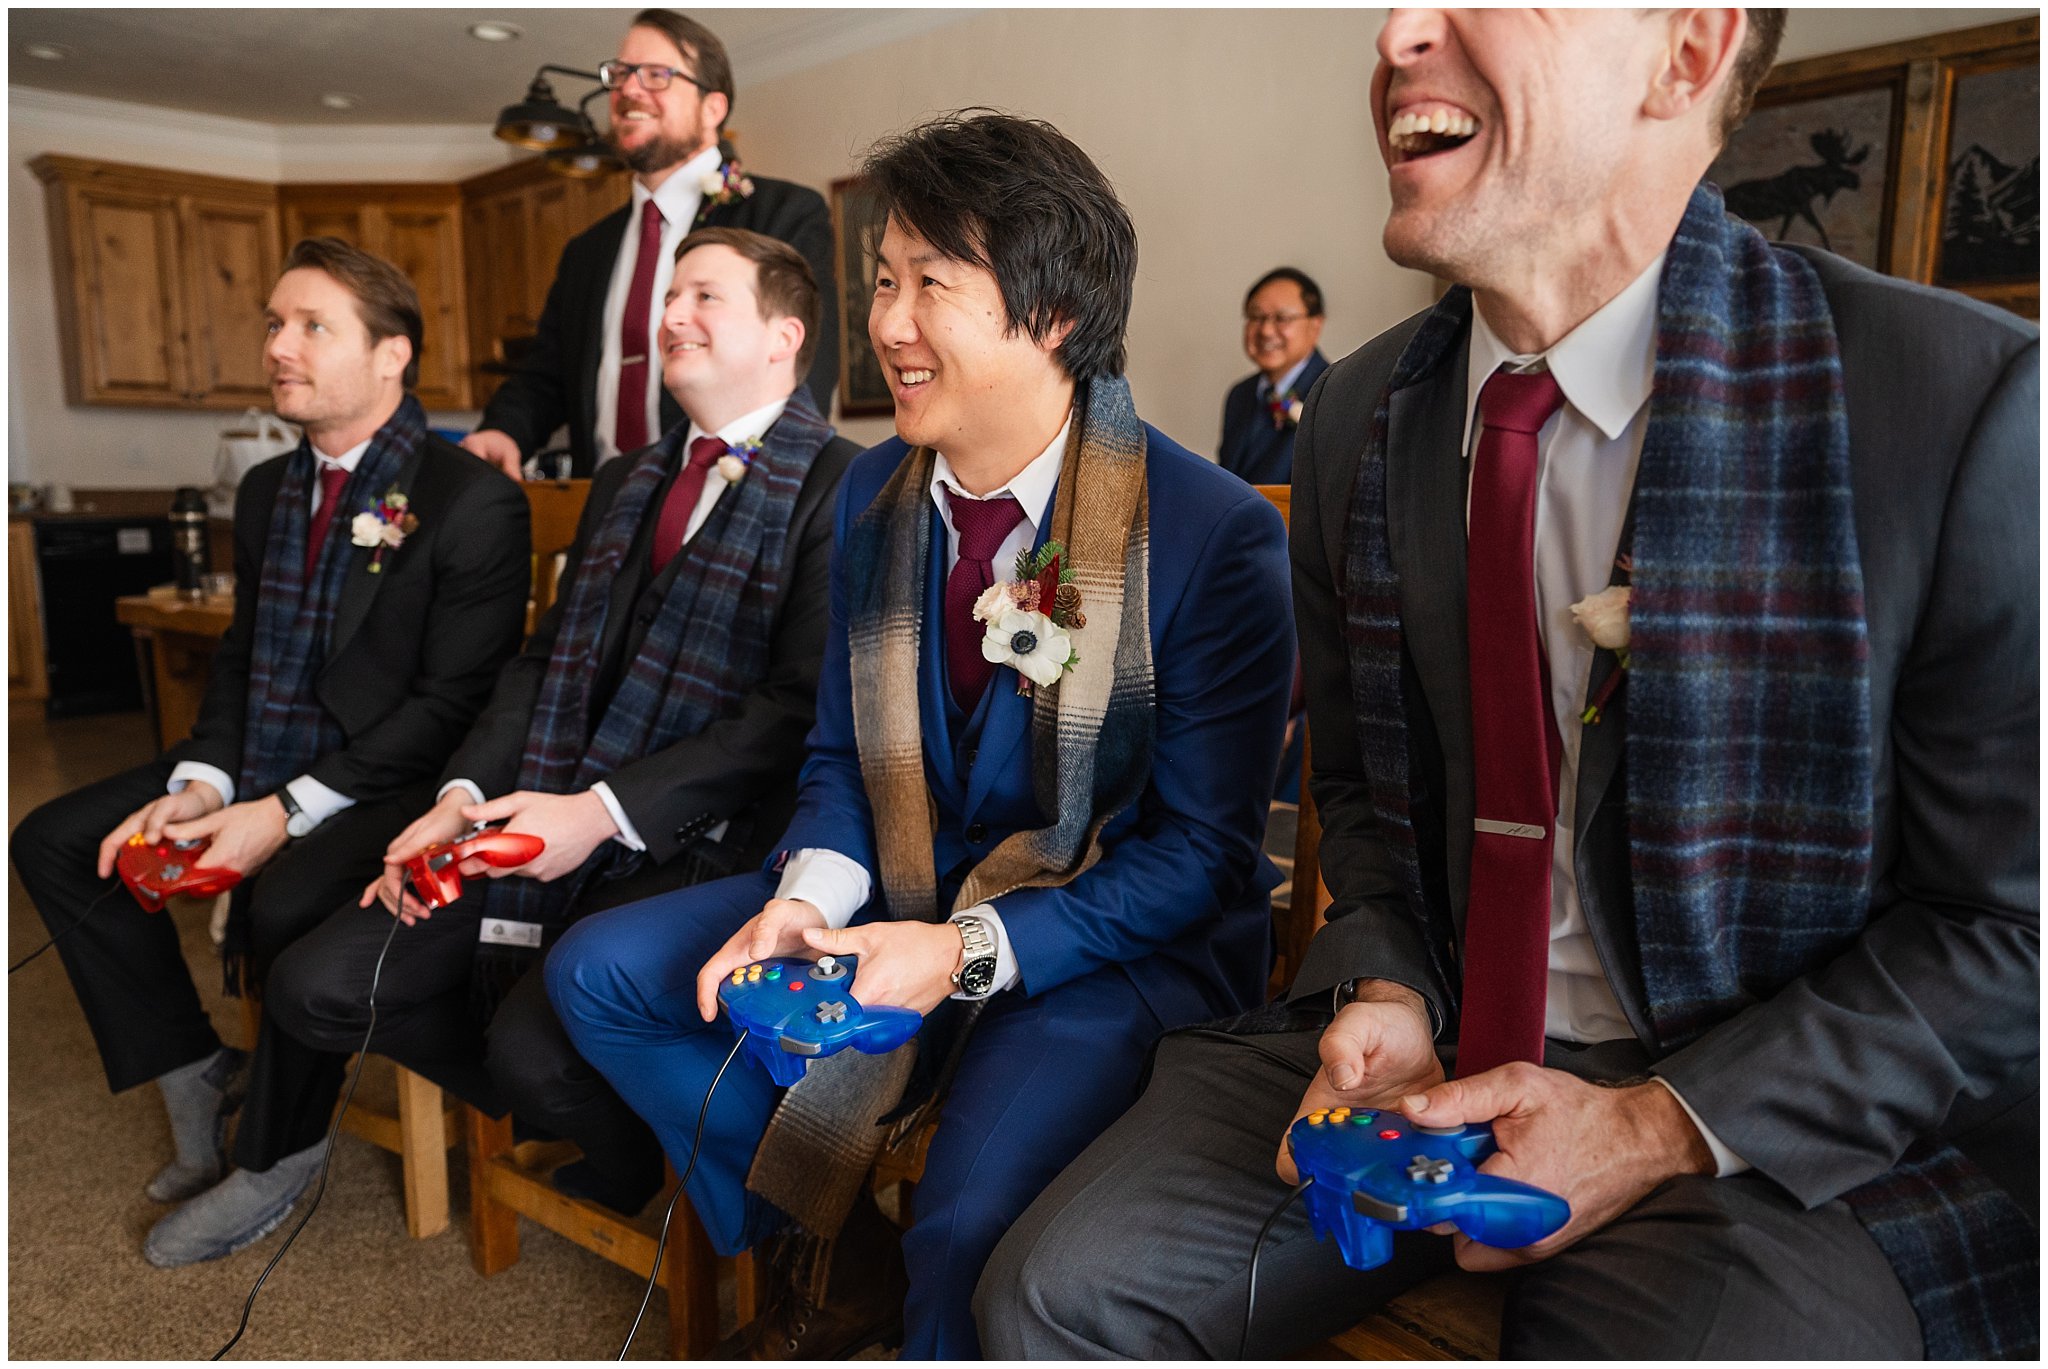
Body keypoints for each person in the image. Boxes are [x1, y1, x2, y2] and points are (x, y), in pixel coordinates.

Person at [979, 9, 2038, 1360]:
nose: (1398, 27)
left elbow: (2006, 933)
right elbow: (1358, 800)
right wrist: (1383, 991)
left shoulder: (1954, 405)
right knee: (1056, 1295)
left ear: (1688, 48)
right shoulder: (1363, 416)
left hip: (1754, 1102)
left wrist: (1662, 1123)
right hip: (1431, 1049)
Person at [546, 111, 1295, 1359]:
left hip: (1106, 935)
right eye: (881, 282)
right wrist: (809, 893)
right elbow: (842, 756)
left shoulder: (1210, 532)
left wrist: (961, 952)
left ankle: (917, 1294)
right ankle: (843, 1266)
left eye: (930, 285)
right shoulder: (869, 501)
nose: (886, 323)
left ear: (1052, 314)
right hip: (896, 878)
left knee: (968, 1220)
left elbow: (1200, 858)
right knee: (599, 976)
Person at [171, 229, 854, 1250]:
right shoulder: (631, 475)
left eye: (703, 297)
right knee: (321, 985)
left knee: (536, 1048)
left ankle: (617, 1154)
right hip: (536, 795)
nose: (669, 316)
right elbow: (538, 663)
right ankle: (609, 1133)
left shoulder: (844, 481)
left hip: (697, 838)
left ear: (783, 335)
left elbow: (791, 712)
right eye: (668, 296)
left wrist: (601, 815)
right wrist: (457, 796)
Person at [10, 237, 531, 1266]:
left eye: (311, 326)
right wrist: (204, 781)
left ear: (393, 356)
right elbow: (246, 657)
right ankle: (194, 1064)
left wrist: (281, 813)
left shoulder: (470, 500)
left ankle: (278, 1153)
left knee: (292, 898)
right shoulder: (265, 490)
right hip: (260, 752)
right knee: (57, 837)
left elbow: (449, 707)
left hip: (391, 777)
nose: (277, 347)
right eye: (273, 323)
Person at [463, 8, 837, 480]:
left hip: (727, 491)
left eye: (656, 75)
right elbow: (549, 374)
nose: (628, 90)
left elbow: (807, 366)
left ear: (712, 108)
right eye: (619, 75)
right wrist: (504, 430)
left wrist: (775, 481)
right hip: (600, 504)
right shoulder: (587, 251)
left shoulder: (781, 214)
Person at [1217, 267, 1329, 486]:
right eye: (1256, 317)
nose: (1266, 330)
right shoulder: (1240, 394)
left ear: (1315, 325)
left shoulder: (1333, 393)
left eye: (1282, 318)